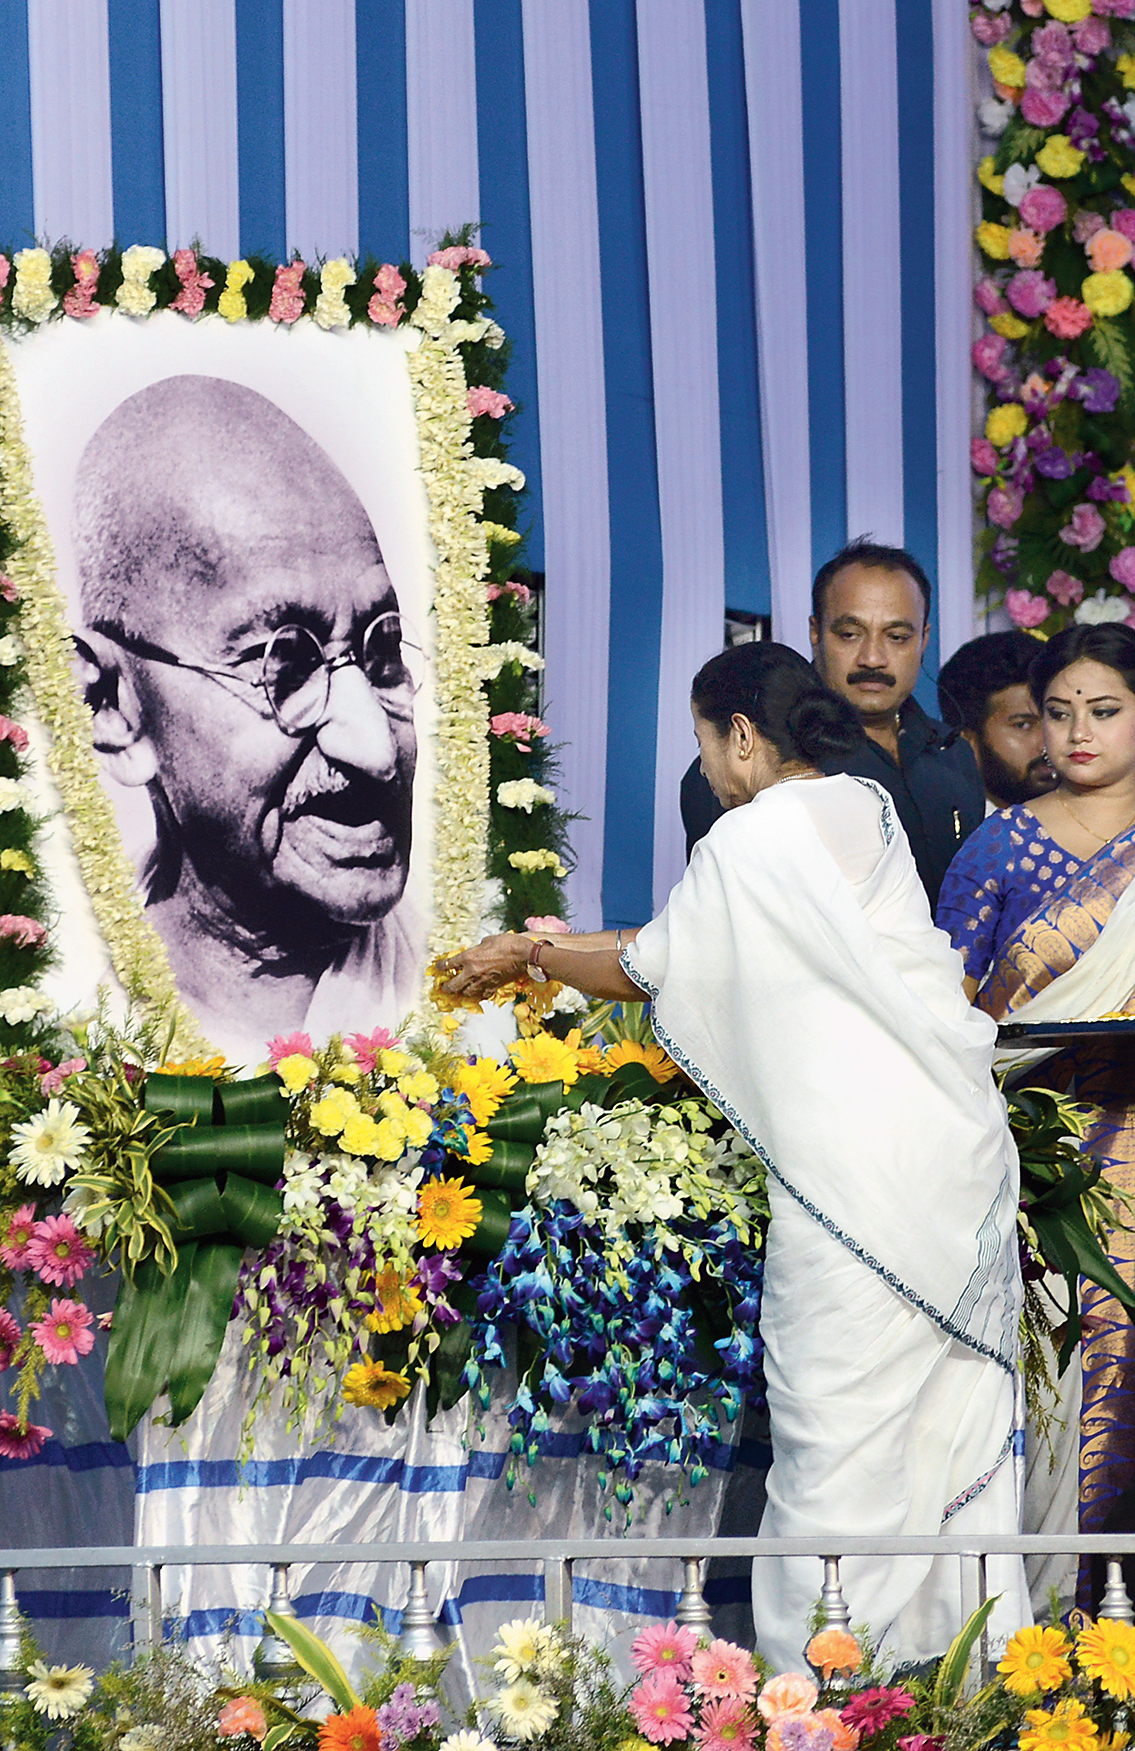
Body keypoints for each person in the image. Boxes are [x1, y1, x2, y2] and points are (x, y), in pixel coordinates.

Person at [442, 641, 1029, 1669]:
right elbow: (691, 940)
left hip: (851, 1186)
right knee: (945, 1424)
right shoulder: (871, 809)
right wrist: (550, 947)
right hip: (953, 1156)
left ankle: (827, 1695)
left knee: (831, 1442)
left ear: (744, 734)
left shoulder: (751, 842)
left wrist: (532, 950)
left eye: (709, 744)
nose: (710, 769)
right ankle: (961, 1681)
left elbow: (649, 961)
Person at [72, 375, 422, 1059]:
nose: (375, 746)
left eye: (381, 650)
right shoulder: (63, 1021)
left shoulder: (476, 1001)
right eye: (281, 667)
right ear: (115, 705)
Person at [936, 622, 1135, 1611]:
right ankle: (1061, 1628)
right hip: (1050, 1167)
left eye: (1103, 710)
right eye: (1058, 713)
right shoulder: (1000, 846)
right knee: (1074, 1387)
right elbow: (951, 1013)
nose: (1076, 732)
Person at [680, 539, 984, 910]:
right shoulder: (756, 752)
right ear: (815, 631)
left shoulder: (952, 752)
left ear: (924, 638)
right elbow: (723, 919)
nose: (873, 658)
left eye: (897, 637)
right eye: (849, 634)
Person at [937, 630, 1055, 810]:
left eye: (1057, 717)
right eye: (1023, 725)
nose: (1047, 743)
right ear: (967, 742)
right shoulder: (952, 833)